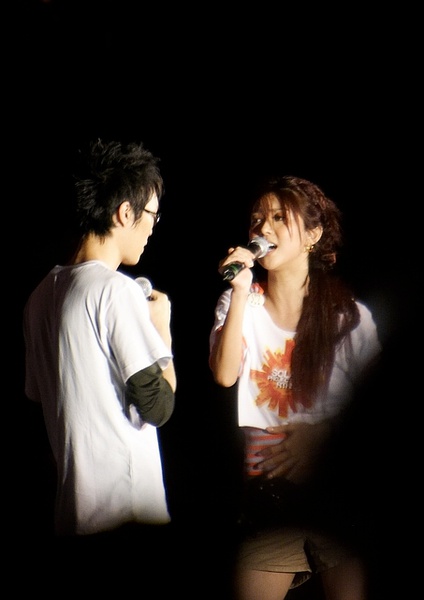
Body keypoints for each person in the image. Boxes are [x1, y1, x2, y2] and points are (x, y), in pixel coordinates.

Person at [209, 175, 381, 599]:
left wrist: (323, 435)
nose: (263, 228)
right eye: (256, 219)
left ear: (312, 235)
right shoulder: (241, 303)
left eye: (278, 218)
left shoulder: (347, 316)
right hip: (268, 494)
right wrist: (239, 288)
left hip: (336, 491)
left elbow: (383, 403)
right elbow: (224, 374)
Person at [23, 139, 176, 545]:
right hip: (127, 513)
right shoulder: (115, 291)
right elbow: (158, 406)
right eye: (152, 215)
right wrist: (162, 330)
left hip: (72, 515)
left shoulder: (39, 297)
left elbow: (40, 396)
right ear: (125, 212)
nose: (151, 229)